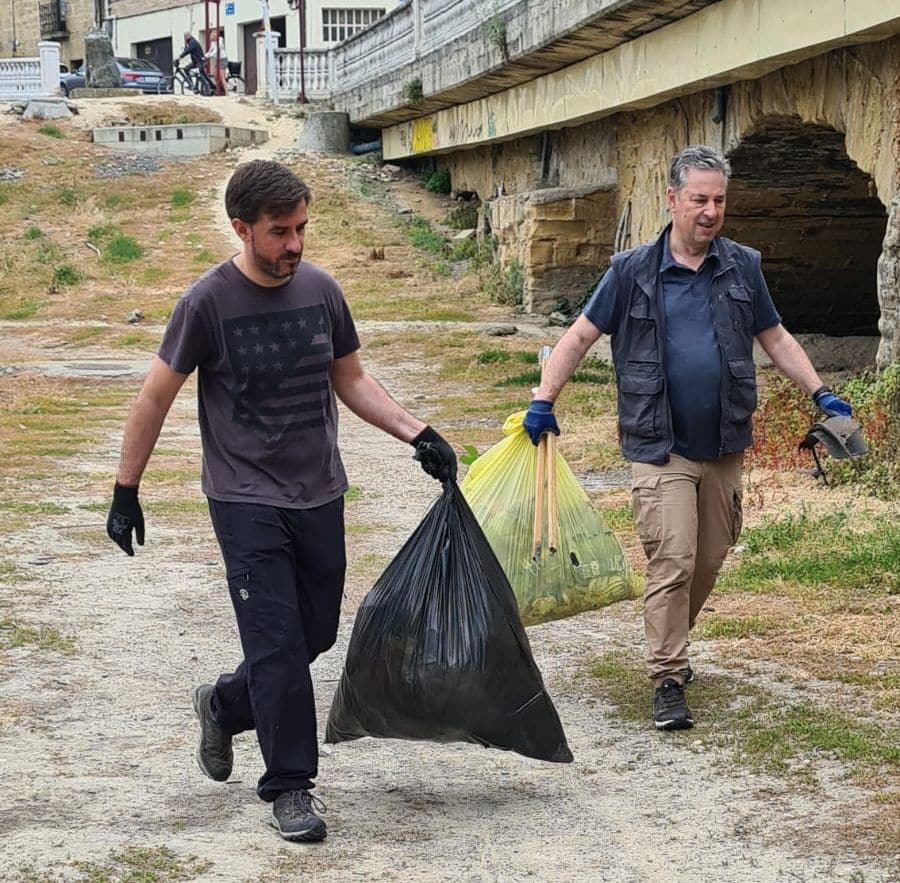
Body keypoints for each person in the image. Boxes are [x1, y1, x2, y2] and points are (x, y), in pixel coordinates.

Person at [105, 159, 456, 842]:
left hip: (319, 490)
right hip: (244, 498)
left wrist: (418, 433)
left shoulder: (321, 290)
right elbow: (154, 396)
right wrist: (126, 490)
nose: (294, 243)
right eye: (279, 231)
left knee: (313, 634)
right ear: (241, 228)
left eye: (301, 229)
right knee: (275, 643)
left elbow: (351, 380)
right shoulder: (206, 303)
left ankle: (223, 703)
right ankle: (290, 785)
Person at [522, 144, 852, 732]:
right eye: (699, 199)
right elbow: (578, 337)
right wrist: (543, 401)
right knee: (673, 558)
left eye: (719, 200)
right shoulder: (630, 272)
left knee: (708, 559)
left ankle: (671, 639)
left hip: (723, 443)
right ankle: (668, 678)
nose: (710, 211)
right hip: (660, 445)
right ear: (672, 199)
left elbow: (775, 337)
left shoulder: (742, 266)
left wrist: (820, 392)